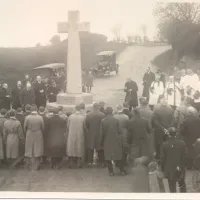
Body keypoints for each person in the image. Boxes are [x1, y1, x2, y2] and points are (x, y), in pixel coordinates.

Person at [100, 106, 126, 176]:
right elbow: (120, 131)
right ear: (112, 112)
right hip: (116, 140)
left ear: (106, 112)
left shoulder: (103, 121)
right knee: (118, 156)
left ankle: (111, 171)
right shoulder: (116, 120)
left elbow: (102, 133)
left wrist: (101, 142)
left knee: (108, 157)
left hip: (107, 141)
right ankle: (122, 170)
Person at [160, 127, 187, 193]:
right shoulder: (182, 143)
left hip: (169, 169)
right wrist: (182, 166)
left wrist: (162, 169)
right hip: (180, 167)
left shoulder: (164, 144)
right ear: (176, 134)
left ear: (168, 134)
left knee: (172, 187)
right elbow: (185, 157)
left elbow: (162, 159)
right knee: (182, 184)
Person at [84, 103, 105, 167]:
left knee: (90, 148)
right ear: (98, 107)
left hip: (91, 133)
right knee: (100, 148)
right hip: (99, 133)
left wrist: (89, 130)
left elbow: (86, 125)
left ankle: (90, 162)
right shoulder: (102, 115)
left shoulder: (89, 115)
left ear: (93, 107)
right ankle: (101, 162)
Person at [24, 105, 44, 170]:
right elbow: (43, 127)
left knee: (29, 147)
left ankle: (29, 163)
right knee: (38, 147)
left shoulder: (27, 117)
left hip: (29, 132)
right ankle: (37, 163)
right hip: (38, 133)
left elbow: (25, 127)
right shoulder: (40, 117)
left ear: (31, 110)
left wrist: (27, 132)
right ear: (37, 110)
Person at [67, 104, 86, 168]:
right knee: (79, 146)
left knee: (71, 147)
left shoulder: (70, 117)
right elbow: (84, 127)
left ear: (75, 109)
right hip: (79, 133)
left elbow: (68, 125)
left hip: (72, 133)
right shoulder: (83, 117)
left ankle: (71, 162)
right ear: (80, 110)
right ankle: (78, 162)